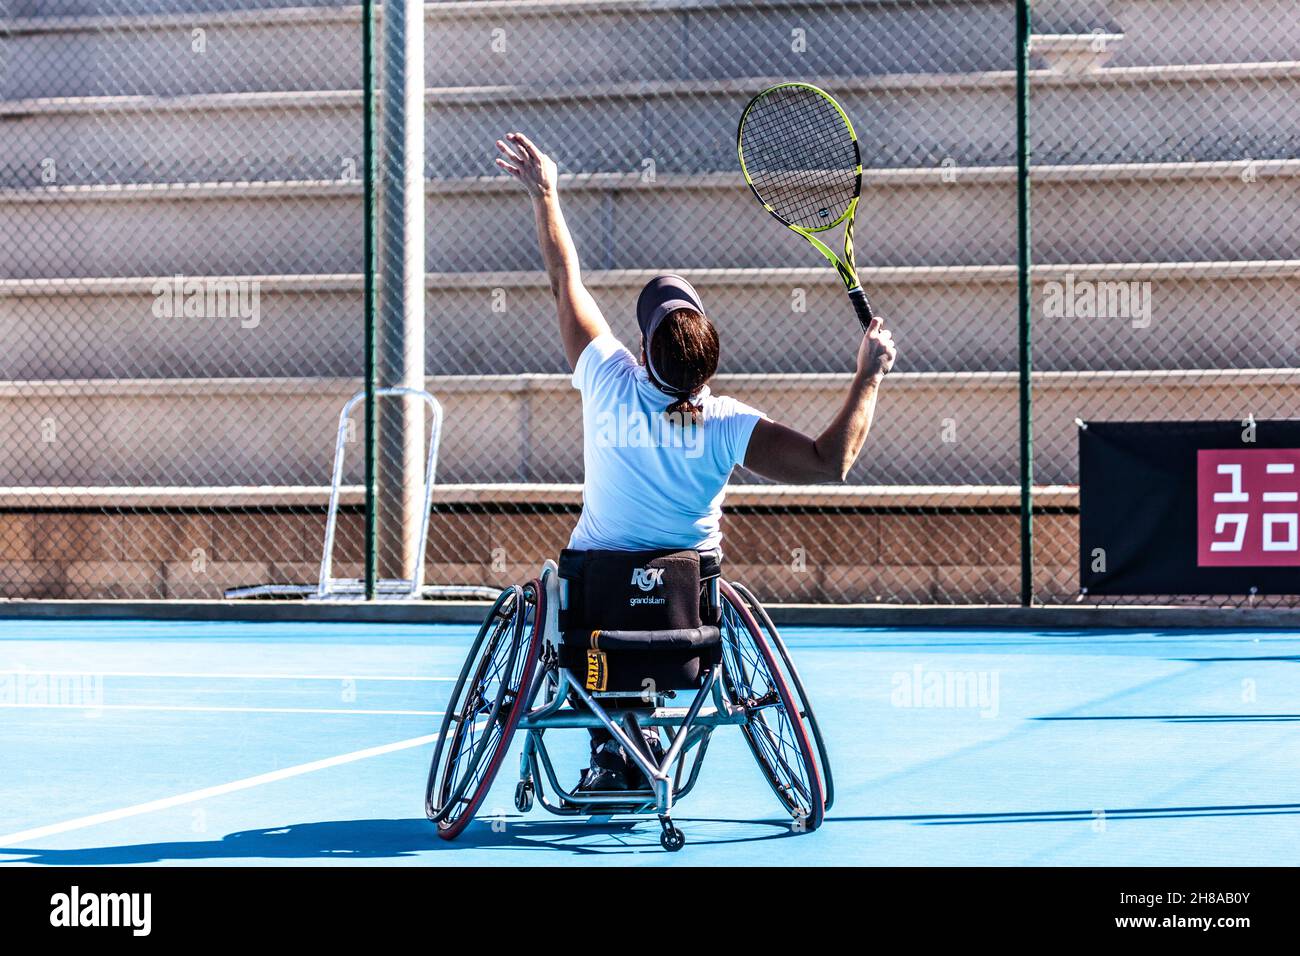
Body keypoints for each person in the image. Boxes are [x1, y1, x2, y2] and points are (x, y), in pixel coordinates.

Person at [495, 132, 897, 789]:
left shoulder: (606, 380)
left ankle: (617, 740)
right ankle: (641, 732)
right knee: (650, 600)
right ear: (709, 362)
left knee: (568, 601)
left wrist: (546, 190)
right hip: (690, 621)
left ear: (645, 354)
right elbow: (831, 463)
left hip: (598, 620)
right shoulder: (725, 424)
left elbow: (563, 276)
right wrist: (868, 376)